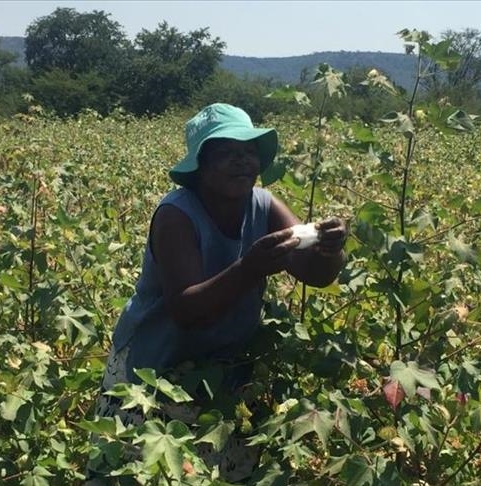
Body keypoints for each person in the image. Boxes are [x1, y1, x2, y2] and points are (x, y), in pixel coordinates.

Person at [89, 103, 346, 481]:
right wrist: (249, 268)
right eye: (226, 152)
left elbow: (314, 274)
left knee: (216, 471)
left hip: (223, 373)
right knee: (139, 469)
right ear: (200, 165)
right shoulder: (176, 214)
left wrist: (329, 250)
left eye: (248, 151)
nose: (241, 161)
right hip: (155, 369)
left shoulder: (264, 205)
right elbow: (186, 310)